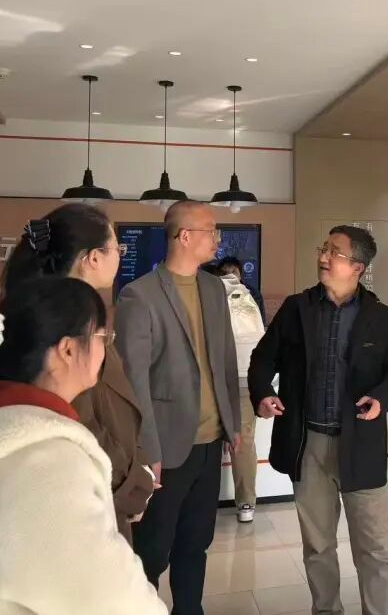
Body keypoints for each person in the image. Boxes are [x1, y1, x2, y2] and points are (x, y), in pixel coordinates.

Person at [0, 278, 167, 615]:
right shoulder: (46, 461)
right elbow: (114, 598)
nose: (106, 350)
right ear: (68, 350)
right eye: (103, 338)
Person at [249, 225, 388, 615]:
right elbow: (263, 358)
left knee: (374, 547)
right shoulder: (296, 309)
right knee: (318, 545)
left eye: (334, 252)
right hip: (308, 445)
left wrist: (381, 398)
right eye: (323, 248)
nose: (323, 257)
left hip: (361, 445)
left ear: (357, 267)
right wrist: (263, 393)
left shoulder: (379, 316)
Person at [3, 204, 155, 544]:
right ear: (93, 258)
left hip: (99, 487)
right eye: (116, 248)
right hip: (86, 498)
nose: (120, 256)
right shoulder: (66, 324)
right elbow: (76, 419)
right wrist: (131, 484)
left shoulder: (71, 313)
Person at [117, 201, 241, 615]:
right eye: (211, 230)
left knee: (196, 542)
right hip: (166, 450)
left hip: (209, 442)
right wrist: (148, 450)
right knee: (152, 550)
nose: (218, 239)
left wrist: (233, 425)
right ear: (185, 236)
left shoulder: (213, 289)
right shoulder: (139, 295)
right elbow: (134, 382)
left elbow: (225, 361)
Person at [203, 259, 267, 523]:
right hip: (244, 377)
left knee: (204, 439)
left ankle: (202, 504)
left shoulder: (206, 295)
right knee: (243, 442)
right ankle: (246, 504)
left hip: (211, 379)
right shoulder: (249, 295)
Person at [209, 255, 267, 322]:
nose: (230, 275)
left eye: (234, 272)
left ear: (240, 276)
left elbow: (260, 319)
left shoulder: (253, 293)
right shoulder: (213, 293)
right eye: (224, 273)